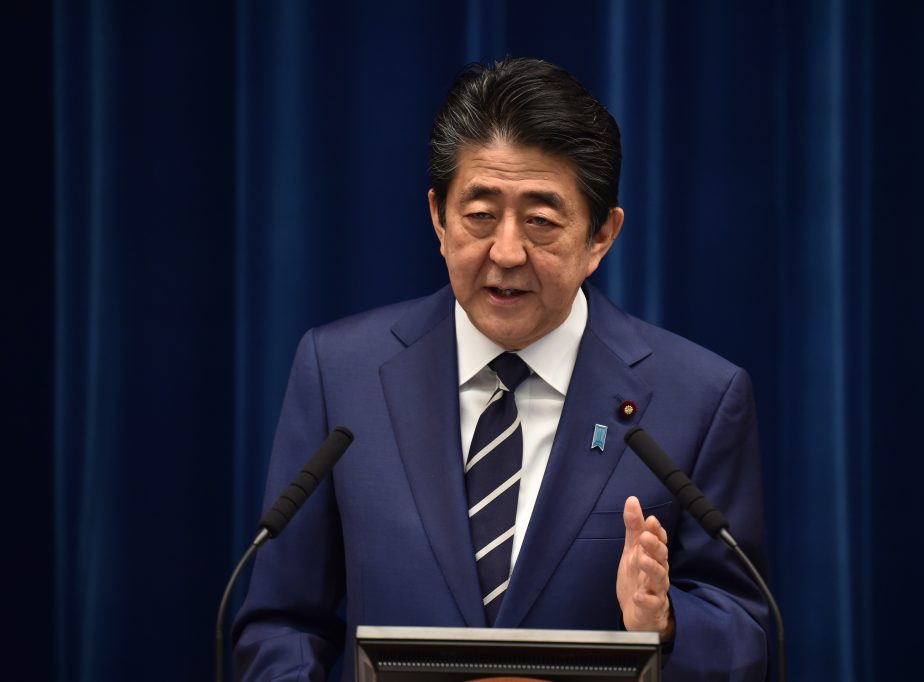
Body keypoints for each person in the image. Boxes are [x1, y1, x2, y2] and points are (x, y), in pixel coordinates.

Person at [233, 57, 769, 681]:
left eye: (541, 221)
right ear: (438, 218)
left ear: (601, 236)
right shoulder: (341, 373)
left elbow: (745, 635)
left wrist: (665, 622)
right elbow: (281, 623)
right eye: (480, 216)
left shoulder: (698, 398)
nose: (507, 252)